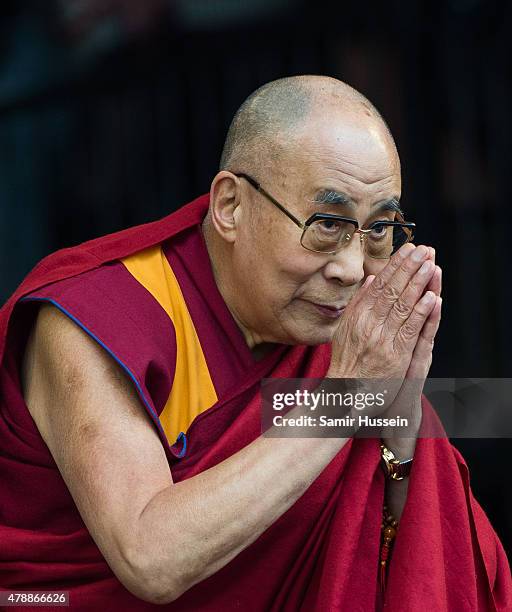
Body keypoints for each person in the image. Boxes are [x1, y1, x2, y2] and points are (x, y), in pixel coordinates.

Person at [0, 76, 510, 611]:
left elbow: (405, 549)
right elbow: (149, 558)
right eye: (328, 224)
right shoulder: (96, 318)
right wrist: (346, 399)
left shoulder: (335, 344)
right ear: (230, 206)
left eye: (379, 231)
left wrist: (398, 412)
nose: (353, 269)